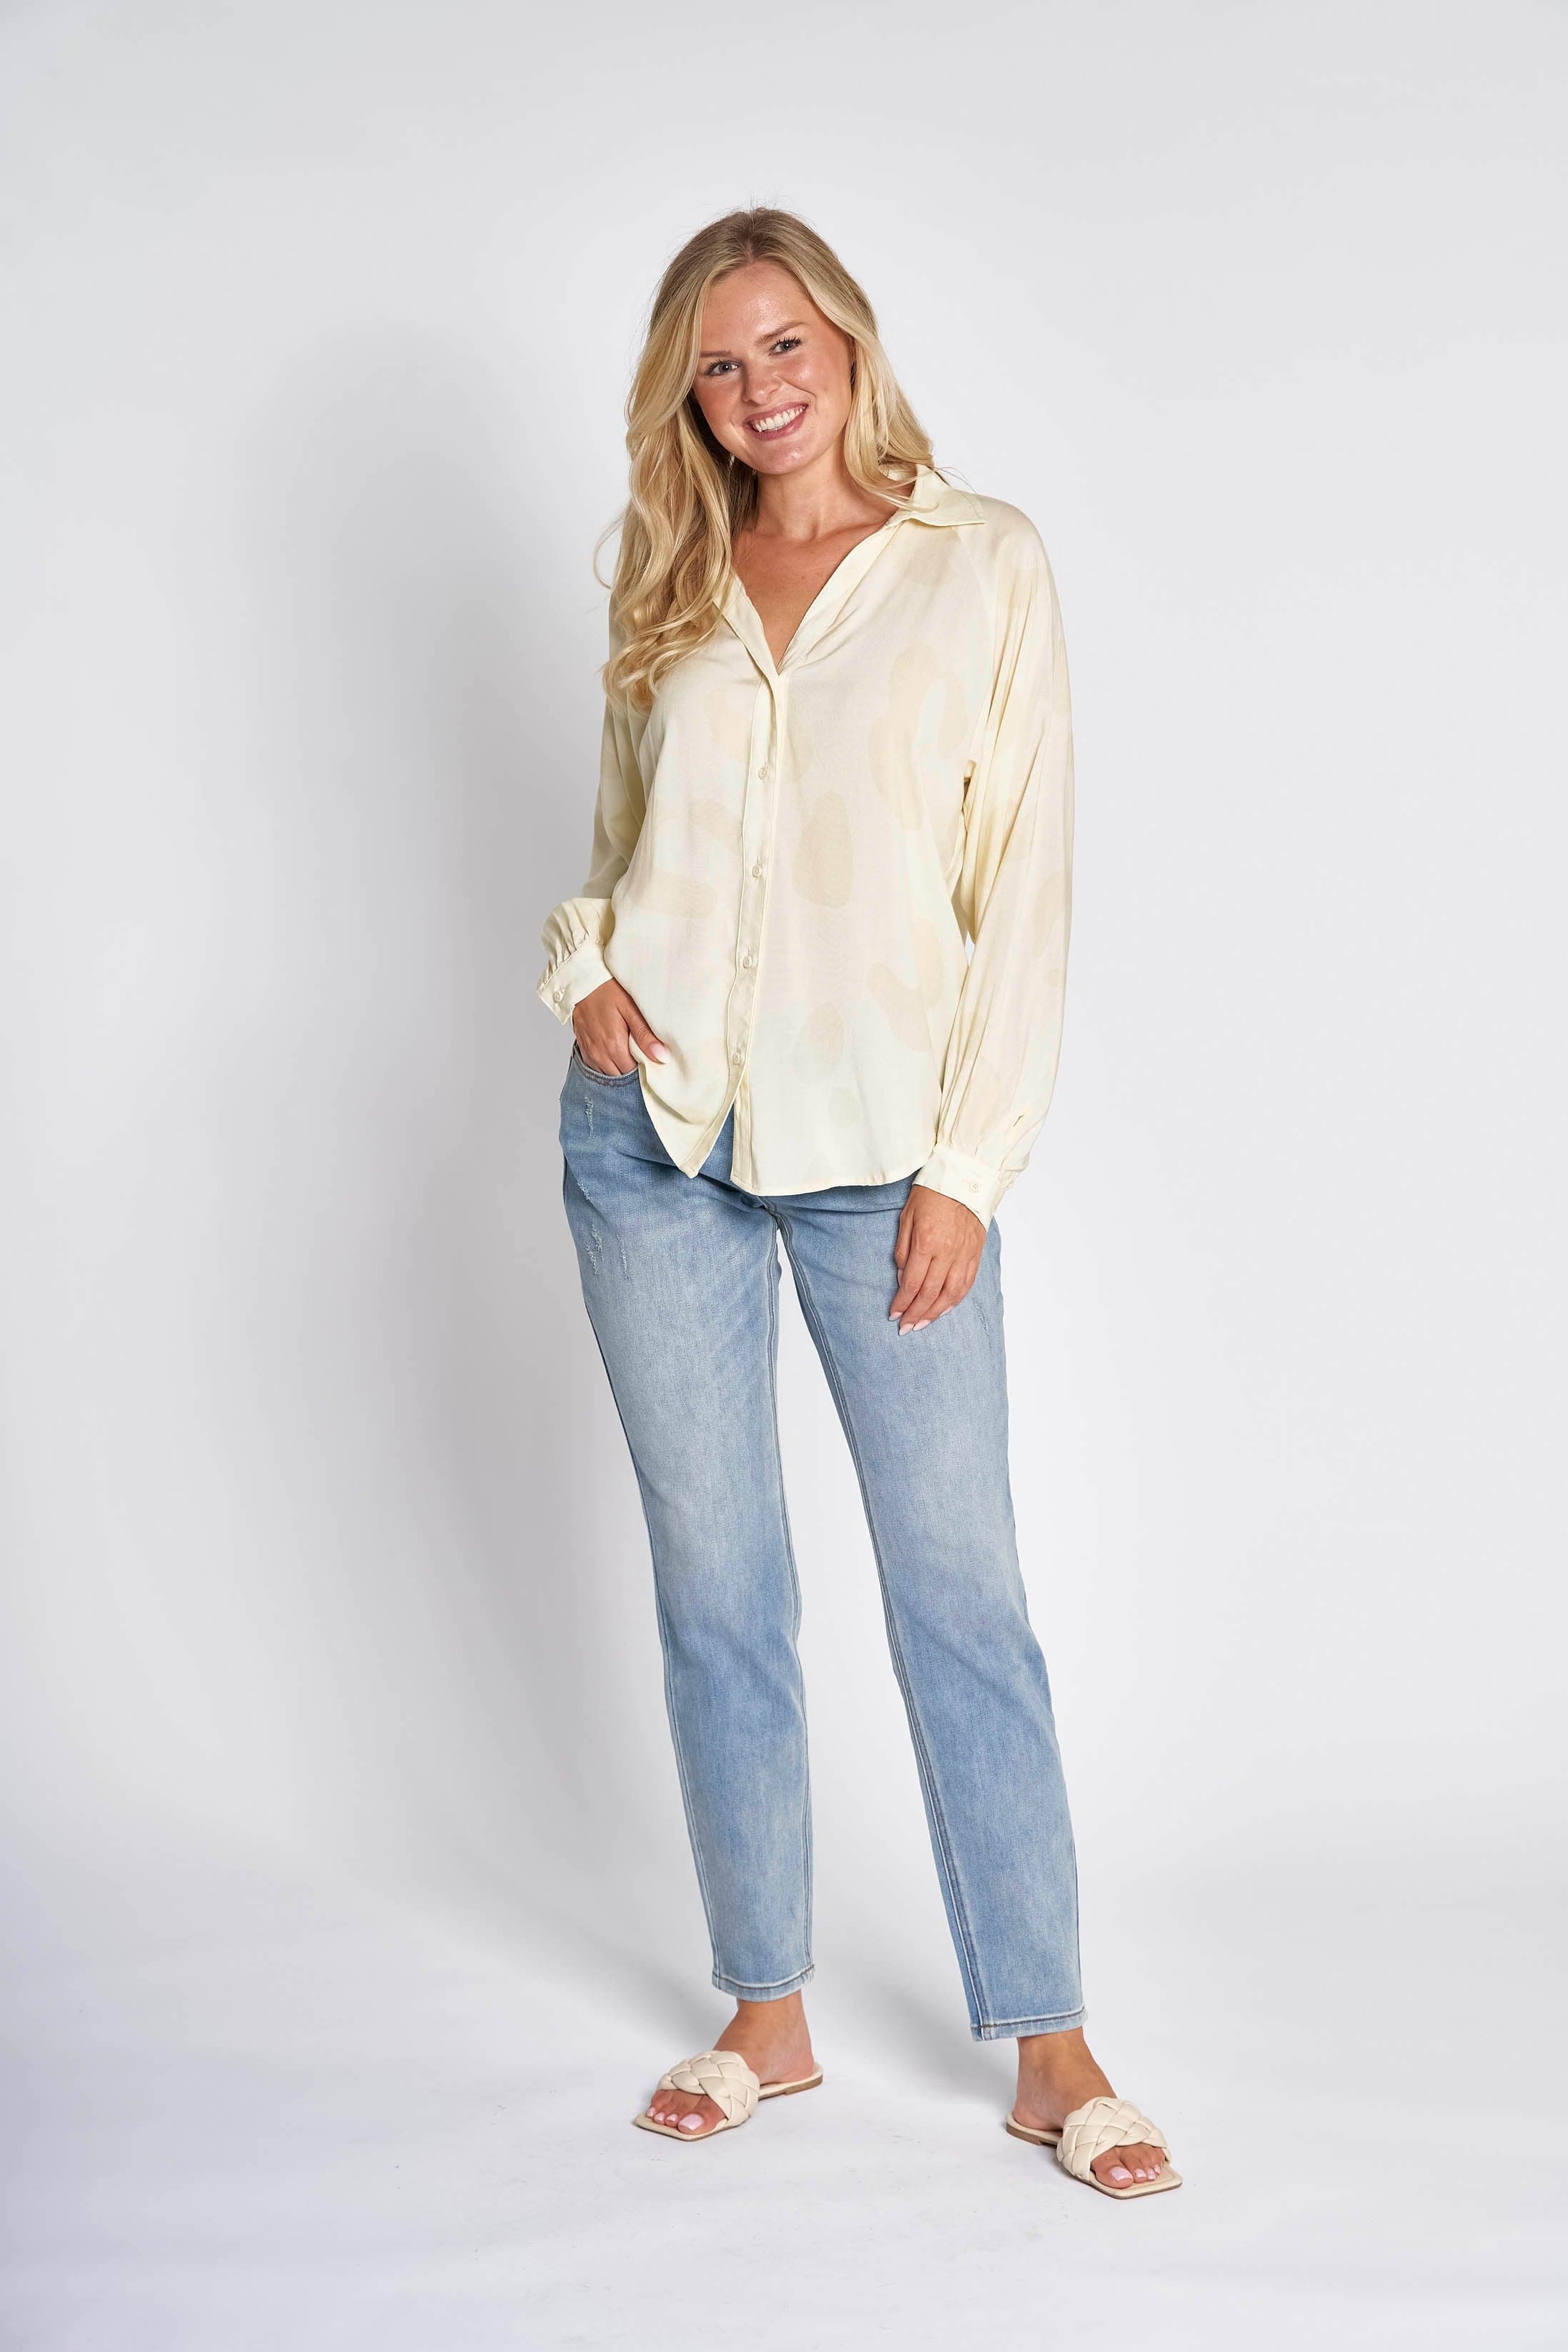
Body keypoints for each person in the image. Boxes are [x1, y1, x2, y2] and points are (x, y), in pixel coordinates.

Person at [536, 207, 1180, 2200]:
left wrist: (967, 1170)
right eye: (718, 365)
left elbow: (1025, 886)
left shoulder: (979, 564)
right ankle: (767, 2011)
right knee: (718, 1588)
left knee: (958, 1590)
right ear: (691, 397)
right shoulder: (670, 574)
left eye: (784, 343)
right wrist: (587, 974)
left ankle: (1050, 2041)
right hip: (655, 1144)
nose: (759, 388)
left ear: (848, 340)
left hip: (883, 1159)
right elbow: (621, 839)